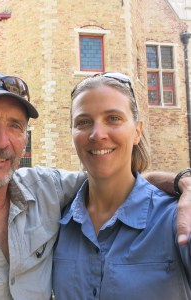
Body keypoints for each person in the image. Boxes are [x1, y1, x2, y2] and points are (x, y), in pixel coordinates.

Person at [0, 71, 190, 300]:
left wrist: (179, 182)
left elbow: (114, 177)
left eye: (15, 126)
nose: (1, 141)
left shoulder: (47, 195)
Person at [52, 72, 191, 299]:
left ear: (137, 131)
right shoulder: (58, 224)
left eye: (113, 118)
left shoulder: (177, 219)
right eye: (84, 122)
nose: (97, 134)